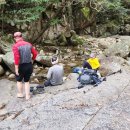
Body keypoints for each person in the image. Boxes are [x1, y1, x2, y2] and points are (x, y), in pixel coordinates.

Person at [12, 32, 38, 100]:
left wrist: (16, 68)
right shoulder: (29, 44)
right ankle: (27, 96)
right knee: (27, 81)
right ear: (21, 37)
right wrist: (32, 60)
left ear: (15, 38)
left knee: (19, 80)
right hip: (29, 65)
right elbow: (35, 53)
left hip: (21, 66)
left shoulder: (15, 46)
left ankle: (20, 94)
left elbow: (16, 57)